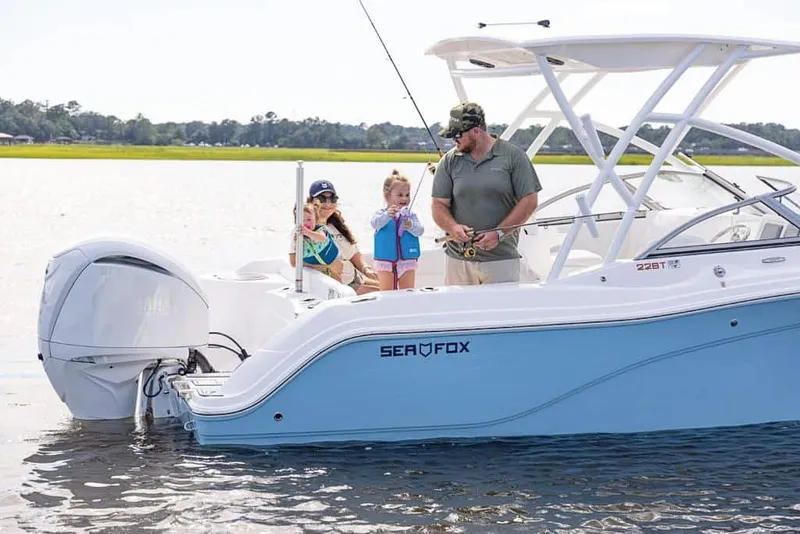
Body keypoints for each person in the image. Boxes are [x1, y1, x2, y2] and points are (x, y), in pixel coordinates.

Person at [431, 102, 542, 285]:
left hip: (501, 260)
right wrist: (453, 228)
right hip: (458, 260)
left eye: (457, 134)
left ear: (476, 131)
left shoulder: (513, 156)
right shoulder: (449, 161)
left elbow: (529, 201)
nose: (453, 140)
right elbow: (438, 205)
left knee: (501, 313)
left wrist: (499, 233)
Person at [307, 179, 381, 295]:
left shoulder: (336, 225)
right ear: (311, 202)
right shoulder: (309, 230)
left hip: (356, 278)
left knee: (394, 288)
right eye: (322, 199)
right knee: (389, 293)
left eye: (332, 199)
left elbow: (354, 253)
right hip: (340, 287)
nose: (328, 204)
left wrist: (366, 268)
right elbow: (303, 261)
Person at [370, 170, 425, 290]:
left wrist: (410, 226)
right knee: (387, 295)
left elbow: (420, 231)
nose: (405, 198)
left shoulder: (410, 216)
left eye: (407, 195)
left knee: (408, 294)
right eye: (400, 195)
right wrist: (387, 216)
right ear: (387, 196)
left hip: (407, 263)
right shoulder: (381, 214)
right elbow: (374, 224)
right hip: (386, 264)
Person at [288, 201, 343, 282]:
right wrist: (295, 242)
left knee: (338, 280)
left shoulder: (320, 230)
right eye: (301, 220)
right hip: (318, 268)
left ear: (316, 220)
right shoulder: (296, 236)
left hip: (334, 261)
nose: (305, 223)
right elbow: (293, 263)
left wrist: (307, 232)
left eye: (309, 219)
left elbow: (322, 238)